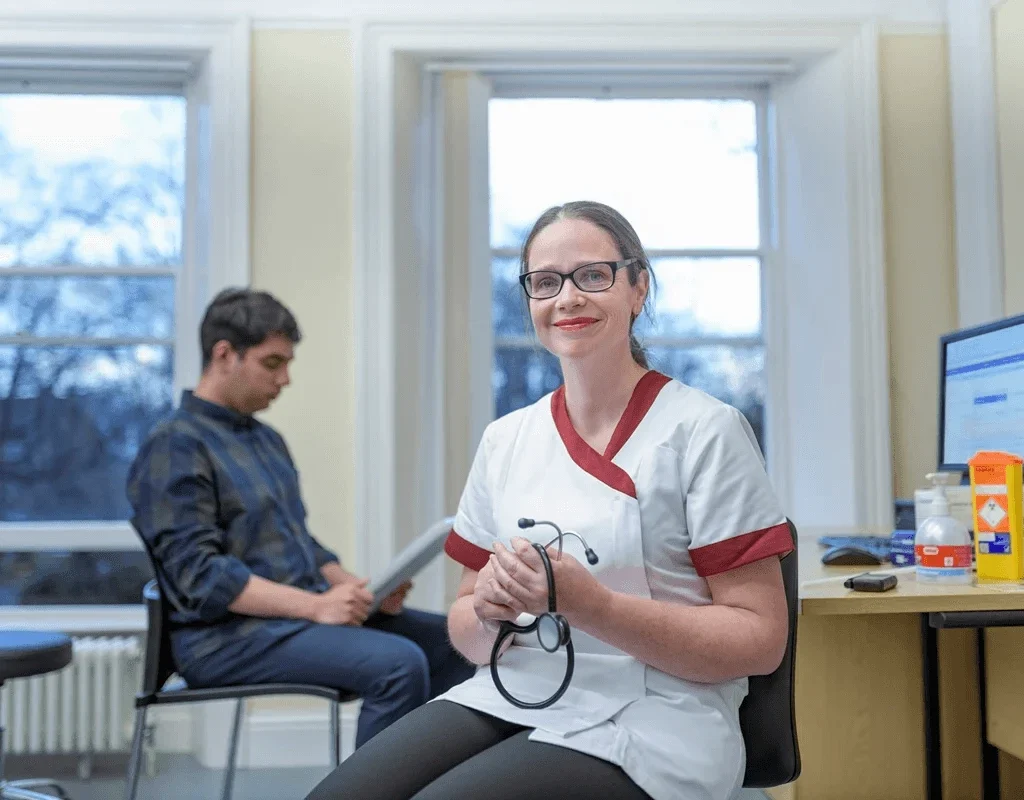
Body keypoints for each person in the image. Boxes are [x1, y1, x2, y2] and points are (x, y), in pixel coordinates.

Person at [304, 201, 794, 800]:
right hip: (515, 690)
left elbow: (762, 640)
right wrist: (490, 612)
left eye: (594, 275)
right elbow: (465, 623)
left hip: (657, 716)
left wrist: (593, 607)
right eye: (546, 282)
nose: (567, 298)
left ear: (638, 288)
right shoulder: (506, 439)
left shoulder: (704, 431)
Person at [126, 288, 474, 749]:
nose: (285, 379)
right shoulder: (174, 445)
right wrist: (315, 606)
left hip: (291, 620)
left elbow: (300, 544)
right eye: (273, 363)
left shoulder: (266, 440)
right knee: (398, 664)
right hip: (221, 639)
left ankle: (422, 784)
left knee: (455, 642)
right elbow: (201, 578)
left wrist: (359, 591)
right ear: (224, 355)